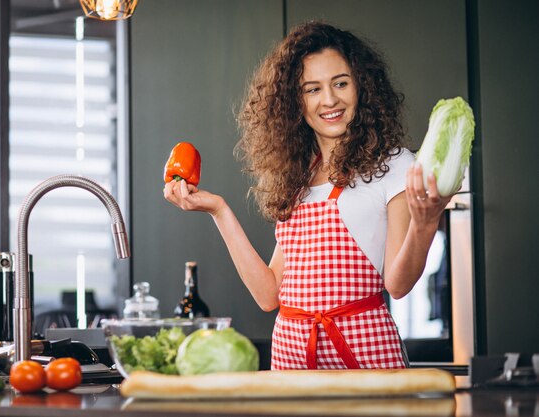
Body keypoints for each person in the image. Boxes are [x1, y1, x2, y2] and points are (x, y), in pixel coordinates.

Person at [163, 21, 452, 370]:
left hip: (365, 357)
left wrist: (426, 225)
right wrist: (218, 210)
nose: (330, 100)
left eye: (340, 83)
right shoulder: (296, 176)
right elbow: (269, 295)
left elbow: (398, 284)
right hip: (292, 358)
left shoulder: (393, 164)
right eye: (312, 89)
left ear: (362, 86)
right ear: (294, 102)